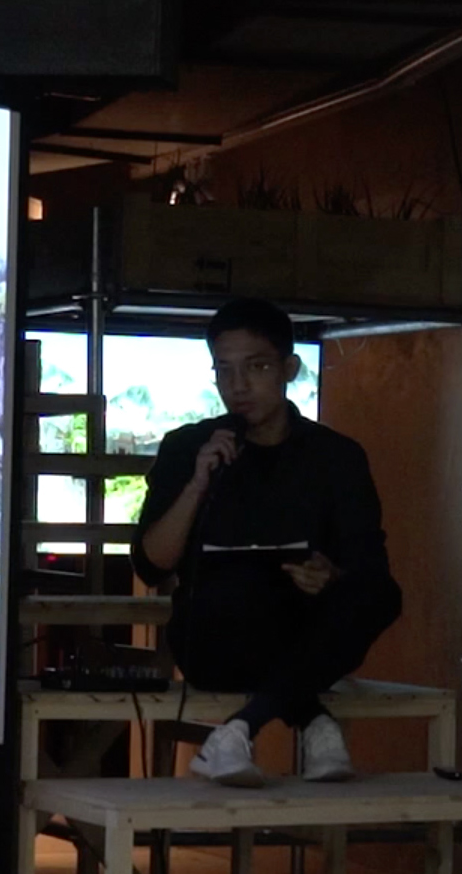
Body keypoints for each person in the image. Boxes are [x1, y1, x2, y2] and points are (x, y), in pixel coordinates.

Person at [132, 298, 403, 787]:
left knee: (380, 595)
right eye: (224, 370)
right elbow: (152, 565)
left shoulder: (336, 457)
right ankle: (315, 722)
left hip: (302, 626)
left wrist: (331, 575)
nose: (238, 386)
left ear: (288, 369)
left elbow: (368, 567)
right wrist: (196, 485)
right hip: (215, 632)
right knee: (241, 589)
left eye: (256, 367)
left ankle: (239, 730)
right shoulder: (187, 447)